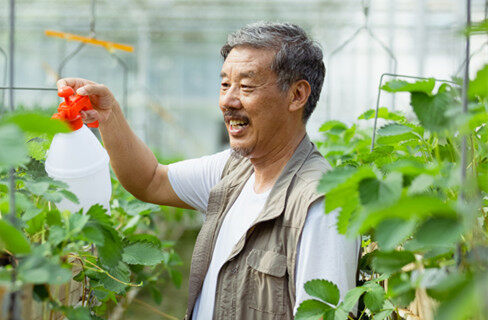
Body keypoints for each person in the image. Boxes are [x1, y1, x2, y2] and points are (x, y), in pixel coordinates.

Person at [56, 22, 358, 319]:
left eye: (247, 86)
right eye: (225, 84)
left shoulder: (322, 205)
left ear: (297, 96)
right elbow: (150, 180)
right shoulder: (233, 171)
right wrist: (110, 117)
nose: (227, 100)